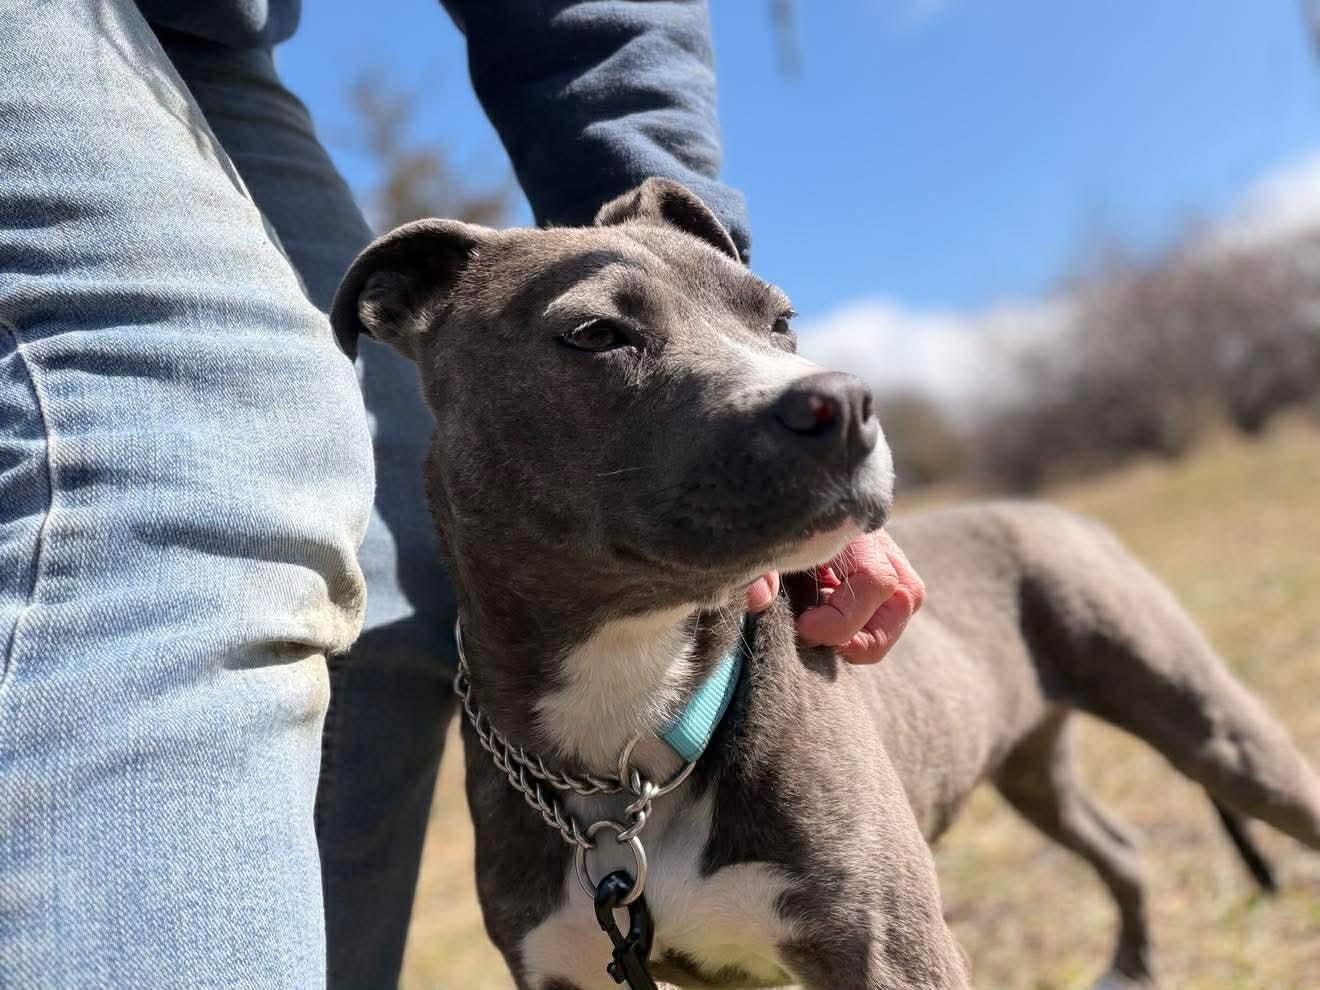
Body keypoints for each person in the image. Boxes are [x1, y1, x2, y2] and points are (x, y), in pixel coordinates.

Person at [0, 2, 925, 987]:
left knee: (382, 548)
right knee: (186, 452)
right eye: (597, 336)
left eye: (777, 329)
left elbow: (595, 24)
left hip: (215, 32)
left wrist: (659, 242)